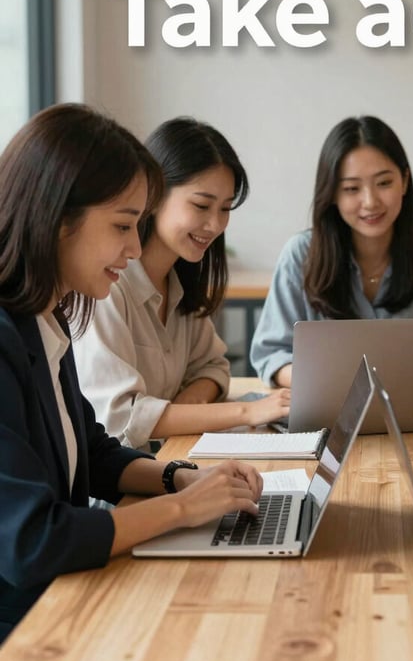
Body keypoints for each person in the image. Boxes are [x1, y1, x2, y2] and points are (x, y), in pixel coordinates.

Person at [0, 104, 263, 642]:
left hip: (64, 594)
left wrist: (182, 477)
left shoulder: (47, 318)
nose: (136, 248)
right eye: (123, 225)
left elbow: (93, 451)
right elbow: (32, 542)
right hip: (27, 623)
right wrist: (183, 508)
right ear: (55, 216)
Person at [74, 118, 289, 450]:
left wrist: (182, 409)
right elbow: (121, 419)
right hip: (118, 488)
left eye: (225, 208)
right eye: (201, 205)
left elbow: (213, 367)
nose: (215, 224)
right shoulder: (109, 288)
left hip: (170, 462)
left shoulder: (180, 282)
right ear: (154, 193)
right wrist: (246, 411)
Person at [250, 115, 413, 386]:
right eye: (351, 188)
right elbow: (272, 355)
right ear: (332, 194)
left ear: (405, 181)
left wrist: (403, 387)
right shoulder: (301, 254)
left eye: (384, 183)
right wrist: (326, 383)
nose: (370, 202)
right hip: (326, 414)